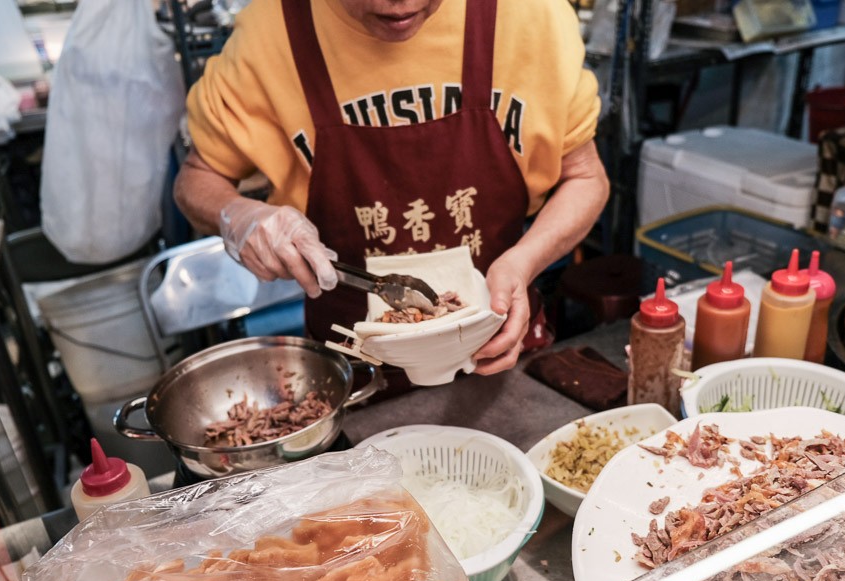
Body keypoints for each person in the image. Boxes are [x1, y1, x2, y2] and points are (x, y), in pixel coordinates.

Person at [174, 0, 610, 376]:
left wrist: (522, 264)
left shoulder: (526, 16)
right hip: (354, 365)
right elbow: (197, 179)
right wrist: (240, 216)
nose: (399, 5)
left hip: (500, 347)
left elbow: (586, 178)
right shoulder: (271, 34)